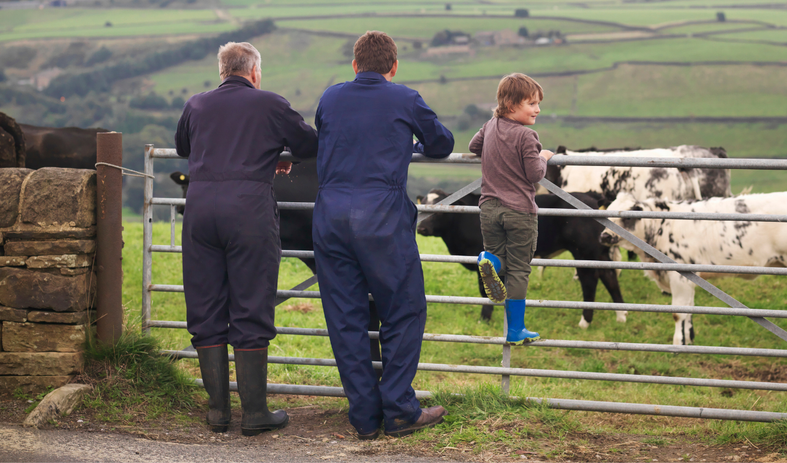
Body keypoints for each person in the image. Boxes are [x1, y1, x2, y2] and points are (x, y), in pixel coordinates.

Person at [313, 31, 455, 439]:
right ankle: (399, 409)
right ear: (393, 67)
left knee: (345, 317)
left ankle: (363, 417)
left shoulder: (330, 98)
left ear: (355, 66)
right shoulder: (404, 98)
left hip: (331, 216)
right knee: (404, 310)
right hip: (382, 218)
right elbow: (441, 143)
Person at [175, 42, 317, 436]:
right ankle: (255, 414)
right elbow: (309, 144)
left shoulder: (196, 104)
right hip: (248, 210)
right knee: (251, 304)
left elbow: (184, 147)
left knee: (205, 307)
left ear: (222, 71)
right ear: (254, 72)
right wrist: (278, 152)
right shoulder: (270, 104)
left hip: (200, 209)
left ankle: (217, 412)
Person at [469, 73, 554, 345]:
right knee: (519, 269)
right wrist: (543, 156)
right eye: (531, 103)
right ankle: (515, 330)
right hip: (519, 212)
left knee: (501, 261)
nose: (537, 109)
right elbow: (534, 175)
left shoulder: (490, 125)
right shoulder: (527, 136)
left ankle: (490, 261)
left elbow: (474, 146)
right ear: (511, 104)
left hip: (489, 209)